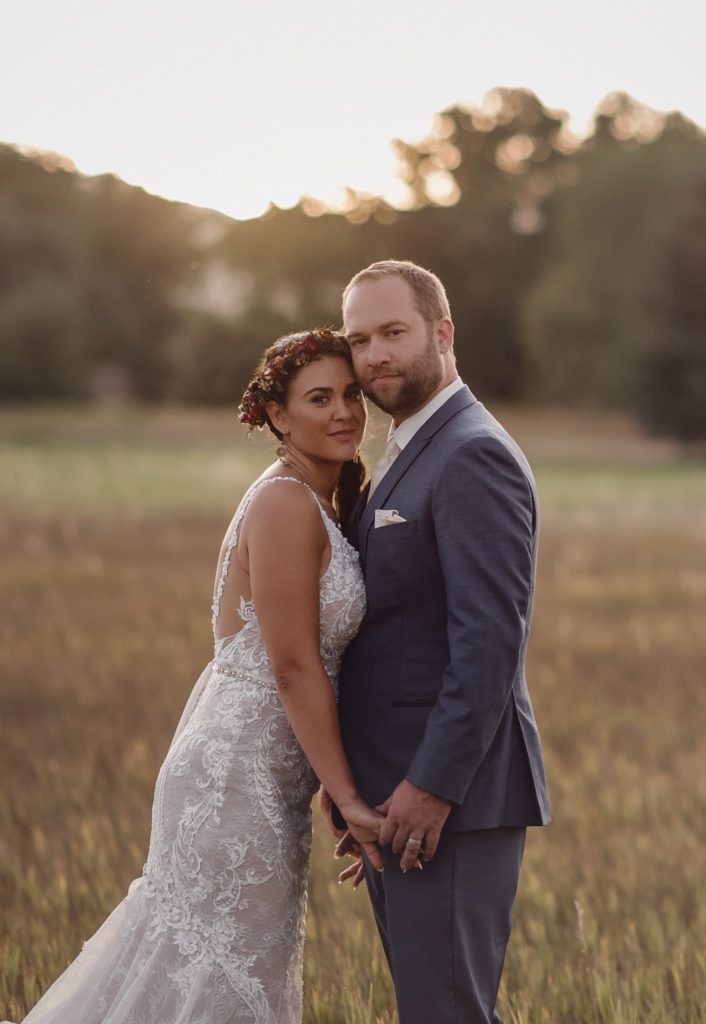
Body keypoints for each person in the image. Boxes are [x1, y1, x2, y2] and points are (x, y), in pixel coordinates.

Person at [5, 328, 383, 1024]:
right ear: (278, 415)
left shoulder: (316, 502)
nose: (345, 413)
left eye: (352, 395)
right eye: (320, 398)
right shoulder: (283, 504)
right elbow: (295, 667)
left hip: (271, 783)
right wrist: (350, 797)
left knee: (227, 977)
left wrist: (327, 787)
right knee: (216, 979)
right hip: (233, 784)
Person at [330, 261, 551, 1024]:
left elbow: (489, 644)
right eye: (360, 340)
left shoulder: (471, 453)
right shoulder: (411, 448)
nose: (375, 357)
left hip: (450, 801)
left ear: (442, 333)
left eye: (393, 333)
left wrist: (431, 785)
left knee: (448, 1013)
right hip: (397, 798)